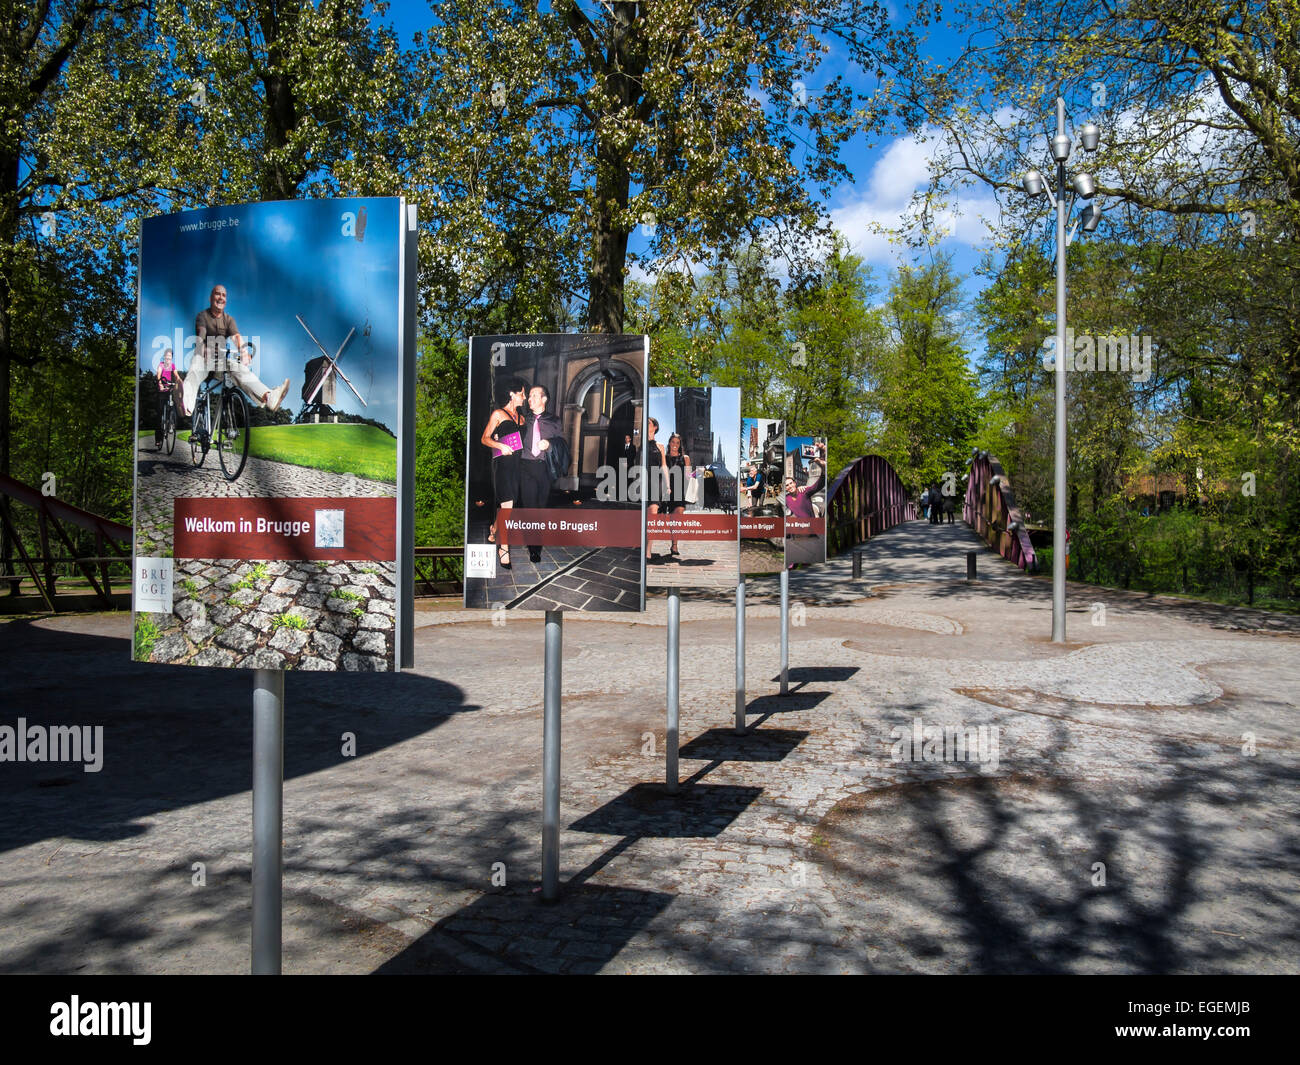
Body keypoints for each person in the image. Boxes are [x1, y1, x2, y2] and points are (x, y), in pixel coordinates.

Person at [182, 285, 290, 421]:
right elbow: (201, 333)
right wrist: (202, 346)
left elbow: (236, 337)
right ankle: (186, 404)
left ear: (225, 300)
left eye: (224, 295)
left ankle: (269, 397)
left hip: (220, 362)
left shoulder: (229, 320)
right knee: (195, 368)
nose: (221, 297)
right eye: (217, 294)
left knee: (240, 369)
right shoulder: (202, 316)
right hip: (204, 359)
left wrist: (244, 352)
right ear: (211, 298)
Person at [479, 376, 527, 568]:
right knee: (507, 508)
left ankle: (493, 530)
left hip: (517, 466)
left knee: (508, 507)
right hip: (502, 466)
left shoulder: (522, 418)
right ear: (511, 394)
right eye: (521, 393)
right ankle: (503, 549)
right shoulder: (498, 414)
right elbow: (484, 438)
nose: (523, 397)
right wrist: (499, 444)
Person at [518, 384, 564, 564]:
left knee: (540, 509)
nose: (530, 399)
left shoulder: (555, 420)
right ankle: (534, 549)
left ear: (544, 399)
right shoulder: (523, 419)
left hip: (544, 469)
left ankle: (537, 542)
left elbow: (562, 443)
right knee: (529, 509)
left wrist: (550, 443)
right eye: (529, 396)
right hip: (526, 467)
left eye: (534, 396)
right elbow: (513, 436)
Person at [663, 432, 693, 556]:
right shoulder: (664, 457)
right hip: (666, 491)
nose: (675, 445)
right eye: (673, 442)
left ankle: (674, 545)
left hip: (680, 491)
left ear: (680, 445)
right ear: (669, 443)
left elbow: (688, 476)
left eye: (677, 443)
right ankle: (672, 541)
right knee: (671, 519)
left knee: (677, 517)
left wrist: (698, 473)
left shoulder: (685, 458)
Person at [154, 348, 181, 445]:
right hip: (162, 390)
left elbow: (176, 375)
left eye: (170, 357)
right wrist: (160, 384)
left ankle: (171, 423)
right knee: (160, 413)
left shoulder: (172, 366)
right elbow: (158, 374)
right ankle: (158, 439)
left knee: (173, 405)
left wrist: (179, 382)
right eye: (167, 356)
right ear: (164, 357)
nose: (168, 358)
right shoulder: (161, 365)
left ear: (171, 358)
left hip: (169, 389)